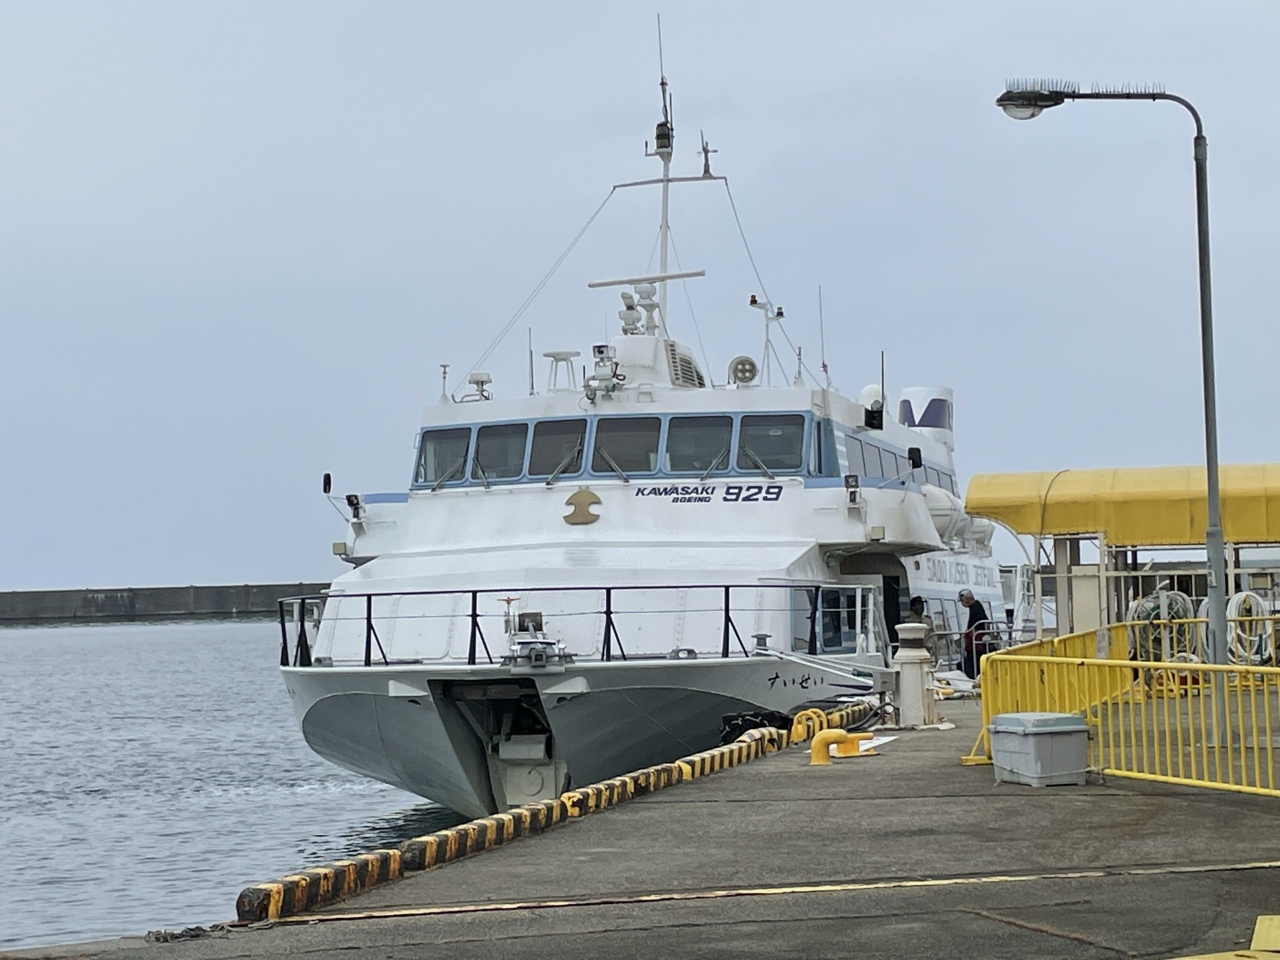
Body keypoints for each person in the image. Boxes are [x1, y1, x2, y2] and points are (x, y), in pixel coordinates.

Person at [959, 588, 991, 679]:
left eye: (962, 600)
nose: (962, 603)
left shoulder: (976, 608)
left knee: (974, 663)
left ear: (967, 598)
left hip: (977, 644)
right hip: (975, 644)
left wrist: (970, 633)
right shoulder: (975, 607)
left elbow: (979, 624)